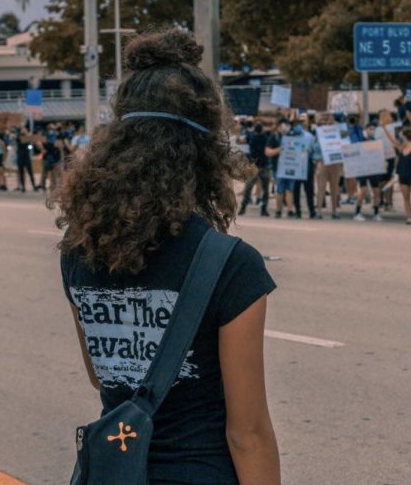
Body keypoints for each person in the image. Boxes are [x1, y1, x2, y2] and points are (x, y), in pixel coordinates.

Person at [53, 28, 280, 485]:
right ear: (204, 148)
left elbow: (103, 378)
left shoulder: (80, 252)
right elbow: (247, 434)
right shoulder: (232, 265)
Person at [384, 125, 411, 225]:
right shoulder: (402, 147)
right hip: (403, 174)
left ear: (405, 136)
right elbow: (392, 140)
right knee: (406, 197)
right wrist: (384, 129)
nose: (400, 137)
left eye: (401, 135)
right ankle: (409, 217)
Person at [239, 122, 271, 217]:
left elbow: (242, 141)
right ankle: (263, 209)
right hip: (264, 166)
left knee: (248, 189)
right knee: (265, 189)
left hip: (253, 166)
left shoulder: (251, 137)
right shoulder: (266, 138)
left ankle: (243, 208)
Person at [314, 118, 344, 220]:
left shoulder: (340, 134)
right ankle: (318, 211)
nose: (330, 125)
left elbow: (346, 143)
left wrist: (339, 126)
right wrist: (317, 161)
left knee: (334, 188)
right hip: (323, 162)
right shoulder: (321, 134)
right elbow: (316, 148)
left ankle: (334, 211)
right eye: (329, 123)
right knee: (321, 187)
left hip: (335, 163)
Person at [354, 122, 383, 222]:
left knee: (376, 191)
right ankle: (357, 212)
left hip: (374, 169)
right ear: (366, 130)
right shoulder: (361, 140)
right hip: (363, 169)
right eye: (370, 128)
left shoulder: (377, 141)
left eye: (374, 129)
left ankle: (376, 212)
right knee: (363, 191)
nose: (372, 130)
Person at [289, 118, 317, 219]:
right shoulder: (290, 135)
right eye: (295, 124)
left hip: (307, 163)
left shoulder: (309, 136)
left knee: (309, 189)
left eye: (298, 124)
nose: (297, 126)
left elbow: (313, 150)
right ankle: (298, 211)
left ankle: (312, 211)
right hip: (295, 164)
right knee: (296, 189)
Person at [15, 127, 39, 192]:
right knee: (21, 172)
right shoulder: (19, 137)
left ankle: (34, 186)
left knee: (30, 172)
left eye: (25, 129)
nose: (24, 131)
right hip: (20, 156)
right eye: (22, 130)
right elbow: (19, 140)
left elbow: (31, 145)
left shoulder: (28, 138)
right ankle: (23, 187)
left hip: (26, 156)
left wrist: (29, 137)